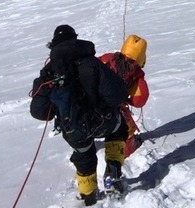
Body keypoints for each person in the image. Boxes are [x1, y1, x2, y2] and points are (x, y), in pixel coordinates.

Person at [29, 25, 130, 205]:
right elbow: (118, 95)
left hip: (74, 129)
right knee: (119, 129)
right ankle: (113, 172)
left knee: (84, 154)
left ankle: (88, 195)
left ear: (53, 45)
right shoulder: (92, 63)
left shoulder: (48, 73)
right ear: (75, 39)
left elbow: (39, 113)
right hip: (104, 122)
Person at [98, 34, 150, 179]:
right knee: (127, 128)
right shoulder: (136, 74)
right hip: (115, 108)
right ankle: (128, 147)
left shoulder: (107, 58)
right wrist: (129, 100)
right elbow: (140, 99)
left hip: (93, 103)